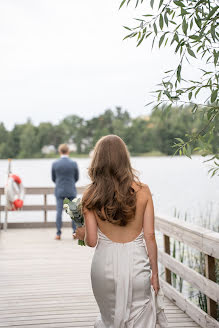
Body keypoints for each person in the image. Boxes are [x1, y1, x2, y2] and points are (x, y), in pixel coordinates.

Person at [76, 135, 168, 327]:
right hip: (137, 266)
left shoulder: (90, 195)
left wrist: (81, 234)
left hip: (104, 268)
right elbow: (150, 236)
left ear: (97, 161)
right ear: (124, 159)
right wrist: (155, 274)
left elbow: (92, 241)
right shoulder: (143, 191)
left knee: (109, 319)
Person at [52, 144, 79, 240]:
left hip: (59, 190)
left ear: (60, 151)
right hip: (71, 189)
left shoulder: (55, 164)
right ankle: (75, 232)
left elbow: (53, 178)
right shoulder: (73, 163)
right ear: (68, 151)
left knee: (59, 212)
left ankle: (58, 233)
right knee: (73, 212)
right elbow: (76, 178)